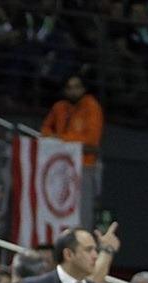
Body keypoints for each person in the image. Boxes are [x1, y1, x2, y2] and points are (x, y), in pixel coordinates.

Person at [40, 75, 103, 225]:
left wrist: (61, 140)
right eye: (69, 88)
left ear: (83, 89)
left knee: (83, 209)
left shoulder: (91, 106)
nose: (73, 91)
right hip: (61, 166)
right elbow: (45, 130)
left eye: (76, 87)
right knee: (59, 205)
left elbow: (91, 141)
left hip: (84, 165)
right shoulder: (60, 107)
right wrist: (59, 140)